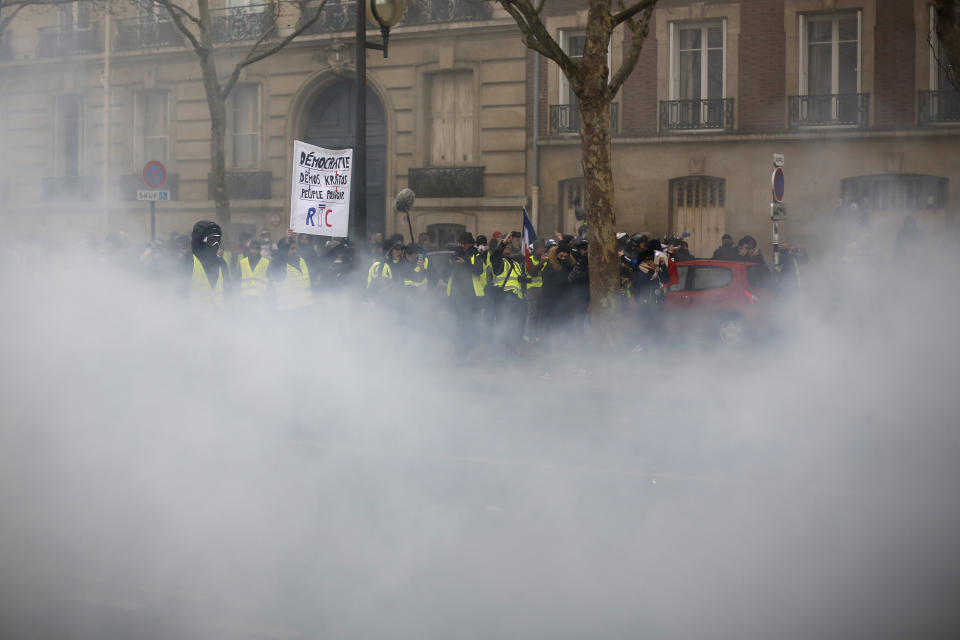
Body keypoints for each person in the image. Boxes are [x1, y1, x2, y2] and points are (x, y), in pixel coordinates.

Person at [446, 232, 486, 359]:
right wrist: (450, 264)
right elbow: (445, 272)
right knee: (459, 324)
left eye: (464, 243)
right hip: (456, 294)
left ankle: (468, 346)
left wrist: (465, 263)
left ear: (471, 244)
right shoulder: (456, 253)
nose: (462, 245)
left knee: (470, 323)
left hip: (472, 295)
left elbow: (479, 270)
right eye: (461, 243)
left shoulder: (477, 254)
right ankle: (460, 351)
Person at [487, 231, 526, 354]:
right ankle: (502, 354)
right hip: (504, 299)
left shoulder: (515, 264)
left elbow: (518, 282)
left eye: (509, 245)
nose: (508, 246)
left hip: (517, 300)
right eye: (506, 246)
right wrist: (503, 243)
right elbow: (494, 256)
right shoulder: (498, 262)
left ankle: (511, 352)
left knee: (515, 328)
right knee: (504, 327)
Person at [632, 248, 670, 351]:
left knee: (656, 326)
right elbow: (646, 281)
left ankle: (655, 347)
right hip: (645, 305)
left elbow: (666, 279)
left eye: (652, 260)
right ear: (644, 261)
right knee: (645, 327)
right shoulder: (640, 271)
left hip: (655, 303)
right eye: (649, 260)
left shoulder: (654, 271)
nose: (652, 262)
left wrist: (662, 265)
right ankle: (644, 347)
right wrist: (655, 270)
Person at [188, 220, 232, 309]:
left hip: (219, 317)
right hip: (196, 318)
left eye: (217, 239)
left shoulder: (221, 263)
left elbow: (228, 291)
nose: (215, 244)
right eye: (211, 240)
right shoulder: (189, 262)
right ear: (200, 241)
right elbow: (180, 292)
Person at [270, 233, 313, 311]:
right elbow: (278, 277)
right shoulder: (278, 263)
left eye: (295, 248)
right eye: (292, 248)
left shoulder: (301, 261)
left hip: (306, 308)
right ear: (284, 249)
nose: (295, 251)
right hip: (288, 310)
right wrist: (285, 244)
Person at [237, 237, 270, 305]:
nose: (254, 251)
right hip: (245, 300)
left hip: (261, 300)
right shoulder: (242, 262)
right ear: (249, 249)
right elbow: (237, 280)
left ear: (259, 250)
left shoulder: (266, 262)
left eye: (256, 249)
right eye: (252, 248)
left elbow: (270, 281)